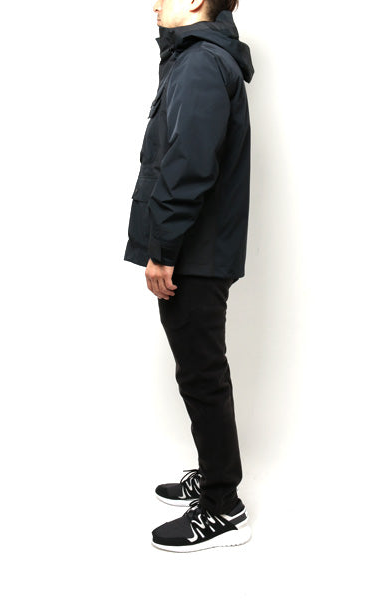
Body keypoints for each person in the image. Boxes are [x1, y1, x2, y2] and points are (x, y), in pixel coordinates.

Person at [123, 0, 254, 552]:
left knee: (202, 375)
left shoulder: (201, 62)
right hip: (196, 250)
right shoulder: (195, 58)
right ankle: (215, 475)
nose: (155, 3)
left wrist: (163, 249)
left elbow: (189, 165)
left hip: (193, 254)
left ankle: (224, 507)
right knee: (200, 371)